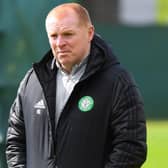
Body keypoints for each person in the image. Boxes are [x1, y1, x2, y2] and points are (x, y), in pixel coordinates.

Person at [6, 2, 147, 168]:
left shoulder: (117, 81)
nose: (60, 43)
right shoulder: (32, 81)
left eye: (68, 34)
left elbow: (131, 147)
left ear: (89, 33)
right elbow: (15, 140)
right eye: (53, 36)